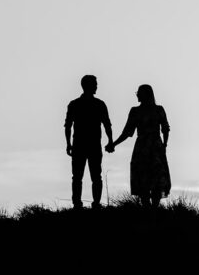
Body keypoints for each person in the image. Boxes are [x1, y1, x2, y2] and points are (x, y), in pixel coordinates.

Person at [106, 84, 170, 207]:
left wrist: (113, 144)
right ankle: (153, 210)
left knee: (144, 178)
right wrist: (164, 145)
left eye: (139, 93)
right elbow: (165, 129)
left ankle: (148, 209)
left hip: (143, 147)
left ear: (144, 94)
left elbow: (127, 132)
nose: (137, 95)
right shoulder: (158, 110)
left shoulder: (136, 111)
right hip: (156, 147)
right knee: (155, 178)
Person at [64, 75, 113, 209]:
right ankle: (86, 204)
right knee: (87, 176)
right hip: (86, 145)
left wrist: (68, 144)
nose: (97, 86)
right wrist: (110, 140)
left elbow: (107, 124)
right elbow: (107, 125)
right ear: (88, 85)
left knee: (85, 177)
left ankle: (83, 204)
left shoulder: (76, 104)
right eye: (95, 84)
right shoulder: (97, 104)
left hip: (85, 145)